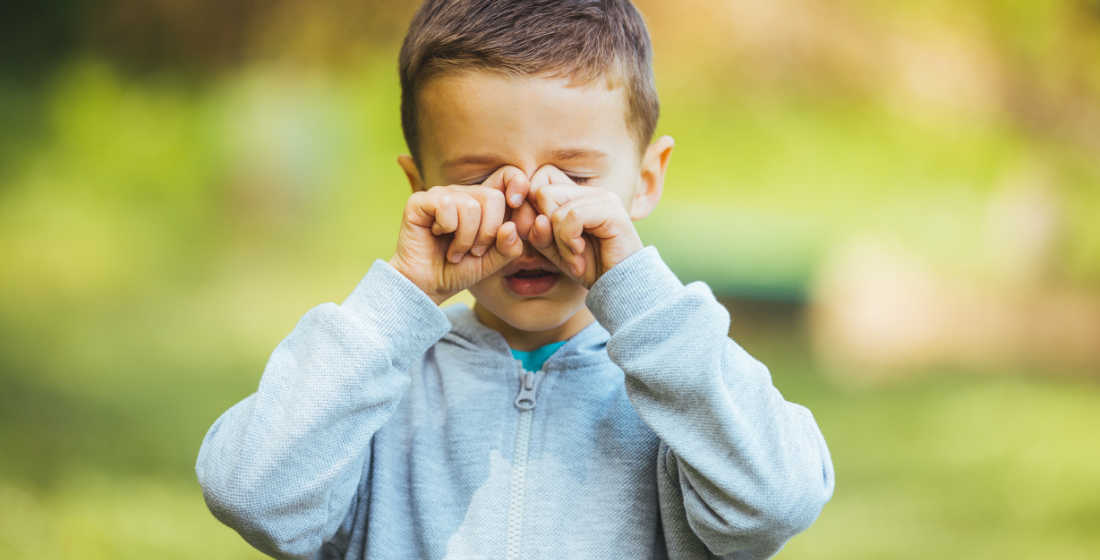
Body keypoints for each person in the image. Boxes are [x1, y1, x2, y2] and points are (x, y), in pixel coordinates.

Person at [196, 0, 835, 558]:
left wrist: (641, 297)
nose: (531, 222)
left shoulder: (682, 385)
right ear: (421, 187)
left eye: (575, 180)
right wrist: (398, 304)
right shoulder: (370, 387)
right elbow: (253, 495)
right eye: (480, 181)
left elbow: (776, 502)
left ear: (645, 179)